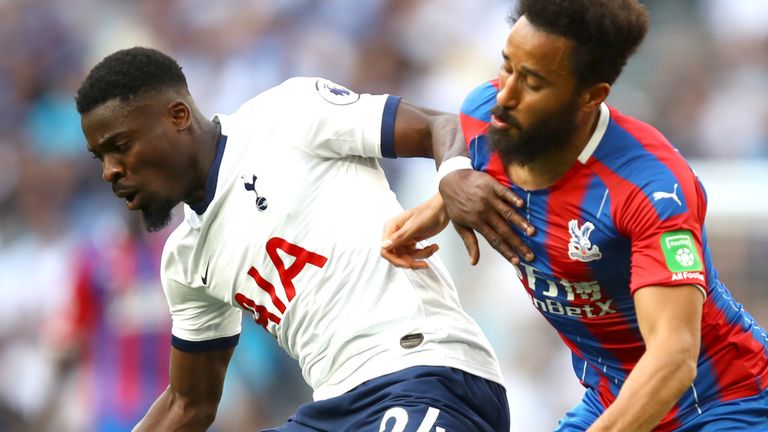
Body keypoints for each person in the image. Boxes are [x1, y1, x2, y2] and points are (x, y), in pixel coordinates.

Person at [75, 46, 511, 432]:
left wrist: (453, 176)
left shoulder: (287, 115)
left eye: (121, 146)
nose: (110, 171)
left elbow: (440, 126)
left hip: (428, 373)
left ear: (178, 116)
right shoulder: (186, 261)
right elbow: (188, 405)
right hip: (335, 409)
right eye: (101, 157)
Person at [382, 1, 768, 431]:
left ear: (591, 96)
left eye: (533, 82)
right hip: (611, 397)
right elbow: (470, 144)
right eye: (507, 67)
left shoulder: (650, 189)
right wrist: (448, 192)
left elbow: (674, 359)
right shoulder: (491, 115)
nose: (504, 95)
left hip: (726, 402)